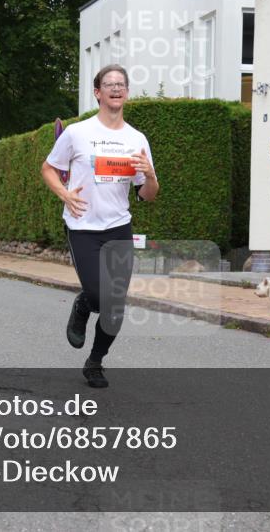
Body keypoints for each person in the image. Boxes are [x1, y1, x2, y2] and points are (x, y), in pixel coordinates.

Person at [41, 64, 159, 388]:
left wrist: (150, 175)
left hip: (118, 227)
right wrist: (64, 194)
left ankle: (95, 362)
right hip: (82, 226)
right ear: (98, 93)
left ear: (127, 93)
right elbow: (48, 168)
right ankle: (83, 303)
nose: (116, 88)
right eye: (109, 84)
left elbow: (147, 195)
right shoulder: (77, 133)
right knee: (97, 295)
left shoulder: (136, 139)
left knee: (115, 305)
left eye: (121, 84)